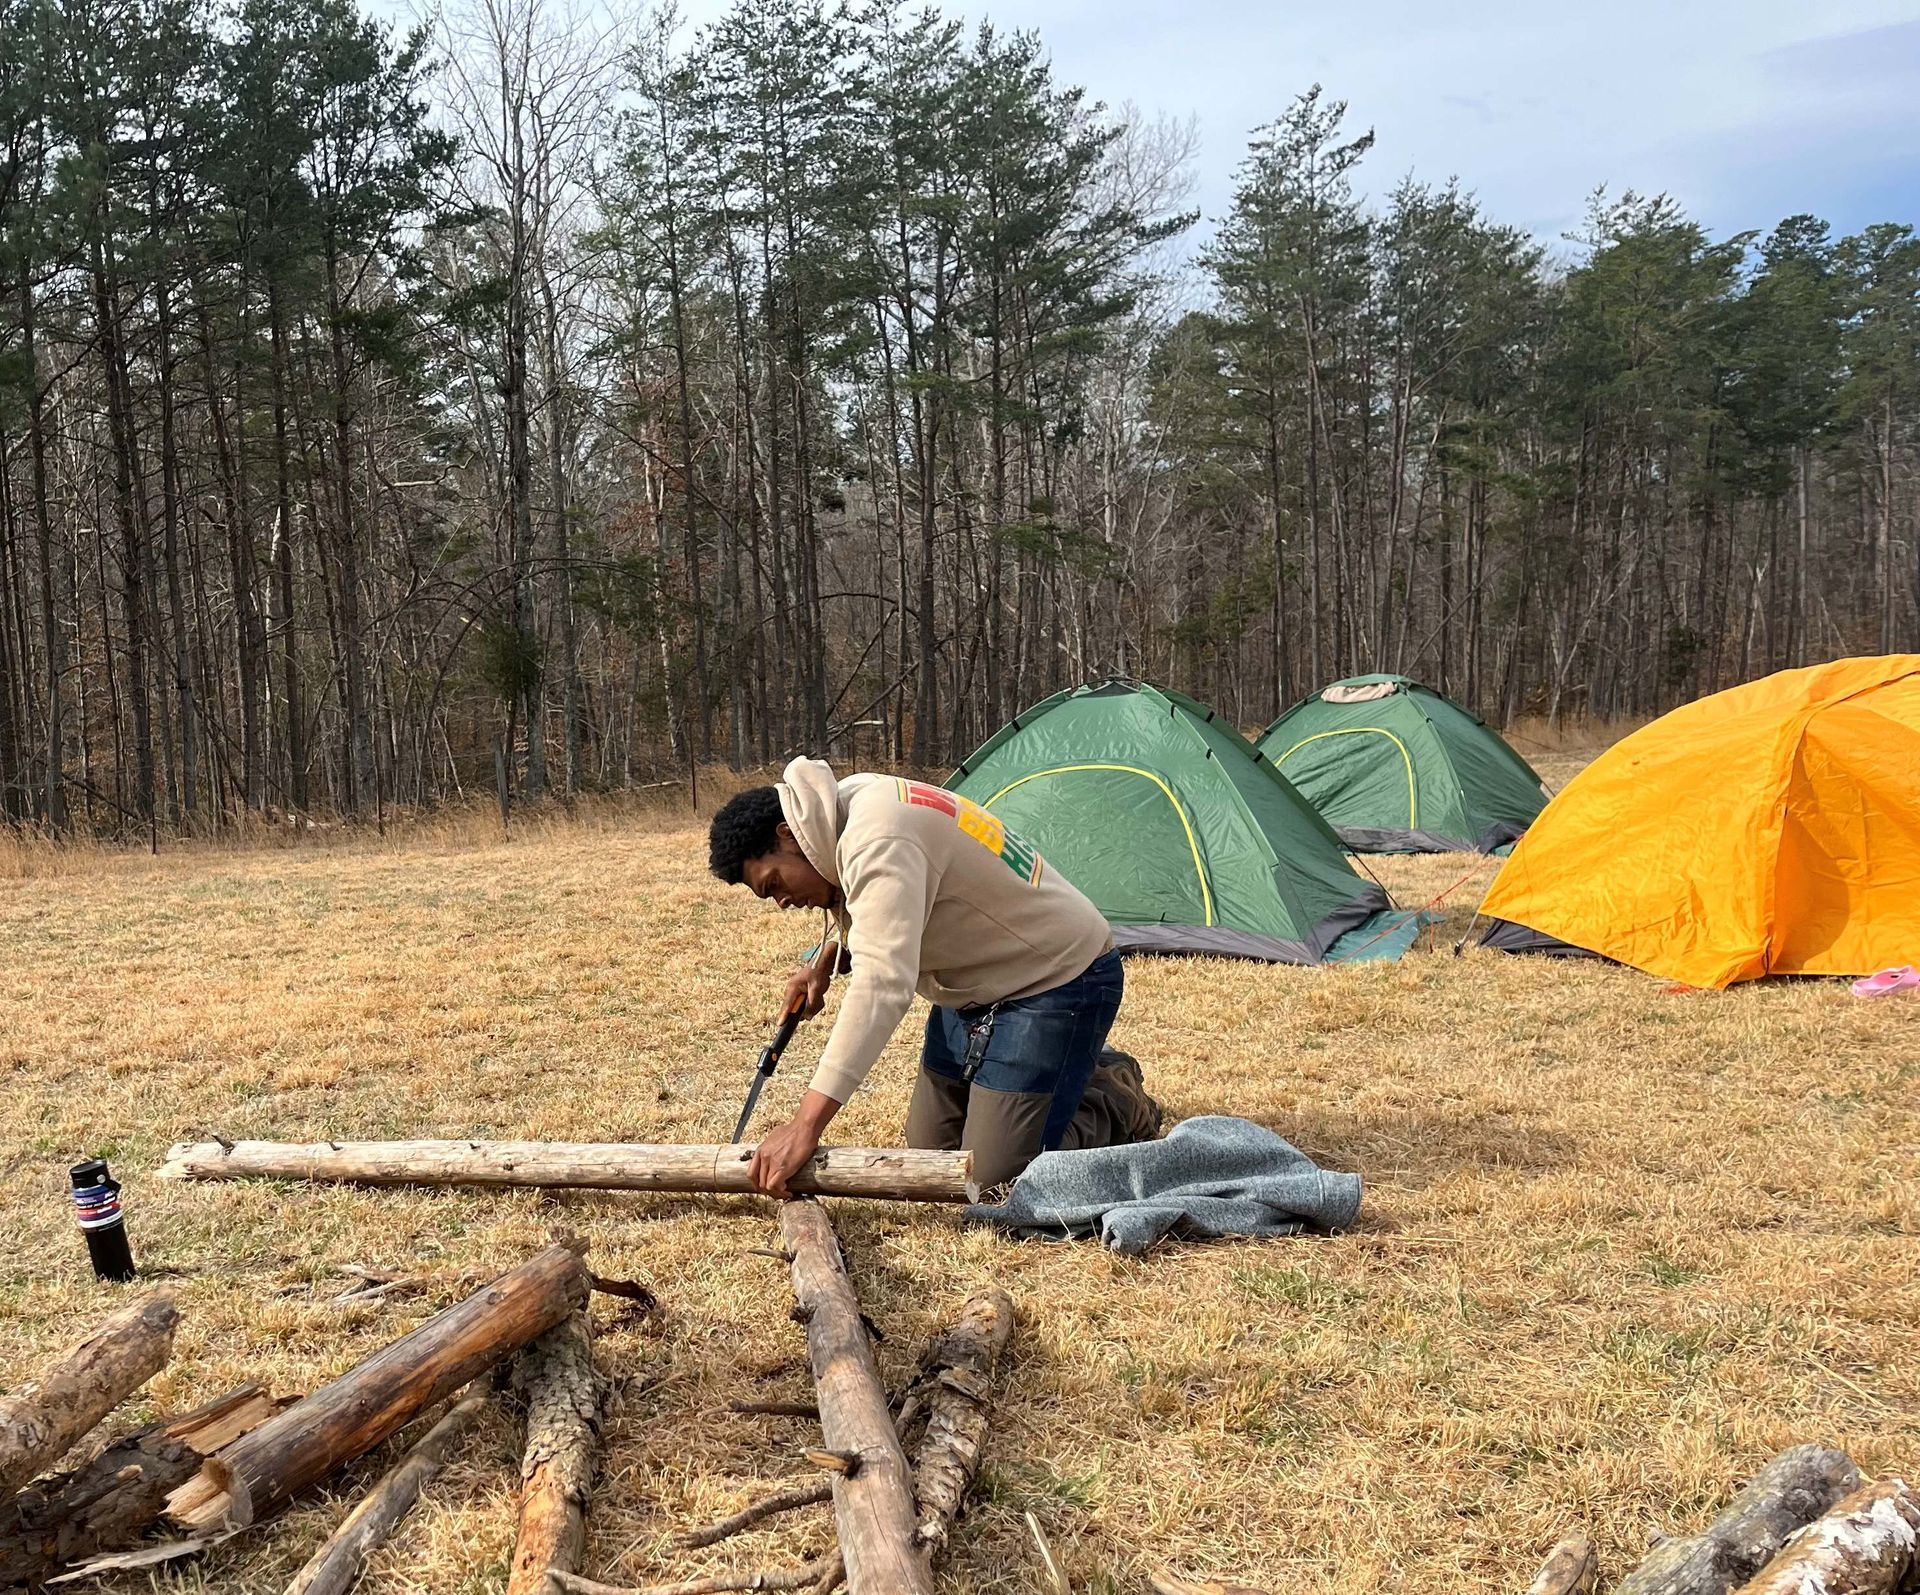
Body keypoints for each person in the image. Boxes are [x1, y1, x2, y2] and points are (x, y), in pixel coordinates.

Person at [708, 758, 1160, 1196]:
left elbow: (883, 984)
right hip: (974, 985)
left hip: (1056, 979)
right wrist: (827, 955)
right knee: (933, 1158)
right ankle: (1062, 1076)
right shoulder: (842, 809)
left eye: (773, 885)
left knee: (992, 1182)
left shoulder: (878, 835)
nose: (781, 902)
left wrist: (805, 1125)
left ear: (788, 835)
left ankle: (1113, 1094)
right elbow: (887, 907)